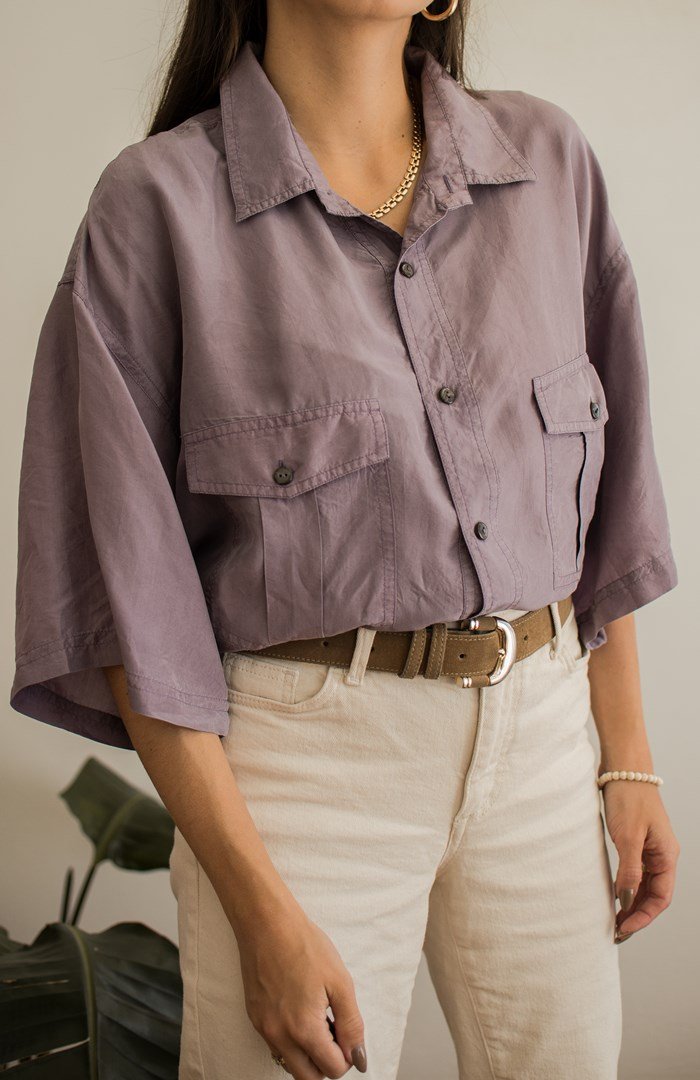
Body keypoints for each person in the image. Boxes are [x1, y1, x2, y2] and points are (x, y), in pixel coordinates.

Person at [10, 2, 682, 1078]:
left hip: (546, 742)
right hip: (303, 780)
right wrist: (256, 906)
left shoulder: (549, 164)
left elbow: (605, 502)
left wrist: (628, 760)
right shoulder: (157, 206)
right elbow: (130, 600)